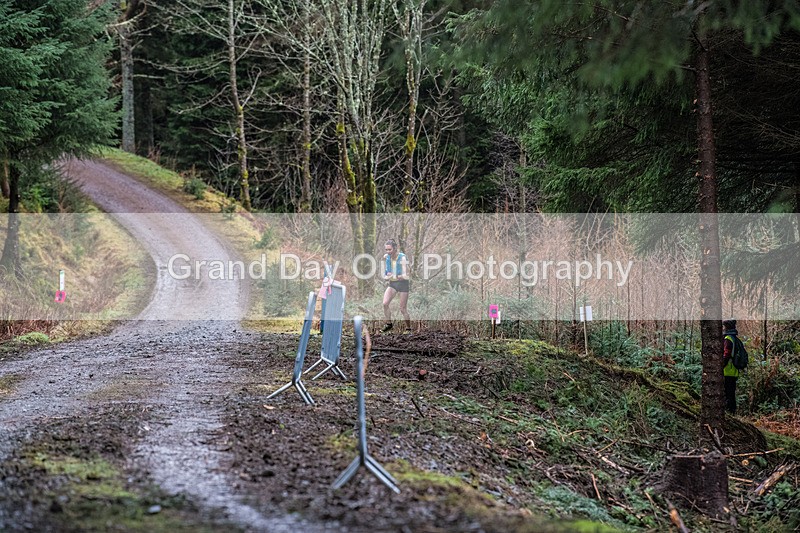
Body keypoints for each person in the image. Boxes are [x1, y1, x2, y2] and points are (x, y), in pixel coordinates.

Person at [381, 239, 410, 333]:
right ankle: (389, 325)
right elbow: (386, 275)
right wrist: (386, 277)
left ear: (395, 248)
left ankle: (408, 329)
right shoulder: (387, 257)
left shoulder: (402, 258)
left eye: (390, 249)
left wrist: (397, 276)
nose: (388, 252)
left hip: (403, 284)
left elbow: (407, 275)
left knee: (402, 308)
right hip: (393, 284)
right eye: (386, 250)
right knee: (385, 303)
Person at [722, 318, 740, 414]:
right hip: (733, 370)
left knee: (728, 393)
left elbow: (726, 354)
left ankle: (730, 412)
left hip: (728, 370)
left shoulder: (728, 339)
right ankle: (731, 412)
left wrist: (721, 366)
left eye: (724, 326)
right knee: (731, 392)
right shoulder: (734, 338)